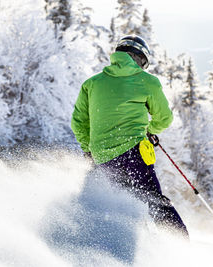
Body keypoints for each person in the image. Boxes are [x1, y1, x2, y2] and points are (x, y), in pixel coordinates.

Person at [71, 35, 188, 237]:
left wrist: (88, 149)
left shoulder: (92, 84)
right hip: (134, 153)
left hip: (102, 157)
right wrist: (151, 130)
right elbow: (165, 118)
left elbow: (79, 122)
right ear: (140, 58)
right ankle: (181, 247)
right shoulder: (147, 81)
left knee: (122, 203)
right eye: (143, 62)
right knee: (154, 201)